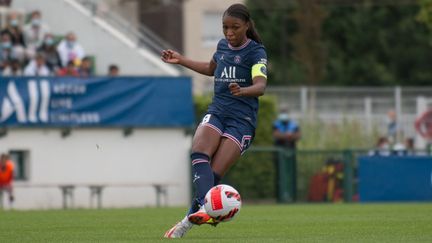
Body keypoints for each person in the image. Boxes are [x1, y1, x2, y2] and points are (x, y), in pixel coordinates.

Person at [161, 3, 267, 238]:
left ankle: (188, 222)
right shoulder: (221, 46)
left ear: (247, 26)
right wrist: (182, 60)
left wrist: (243, 90)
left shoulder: (256, 52)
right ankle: (208, 213)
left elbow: (260, 86)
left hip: (242, 120)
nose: (229, 33)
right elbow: (211, 69)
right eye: (225, 27)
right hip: (218, 111)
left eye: (235, 28)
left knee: (215, 173)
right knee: (199, 152)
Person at [272, 108, 301, 201]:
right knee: (280, 176)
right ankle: (279, 198)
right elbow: (276, 135)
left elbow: (298, 135)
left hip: (291, 154)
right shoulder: (276, 124)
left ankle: (293, 197)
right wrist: (287, 135)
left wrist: (288, 136)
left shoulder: (294, 124)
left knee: (291, 176)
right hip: (279, 155)